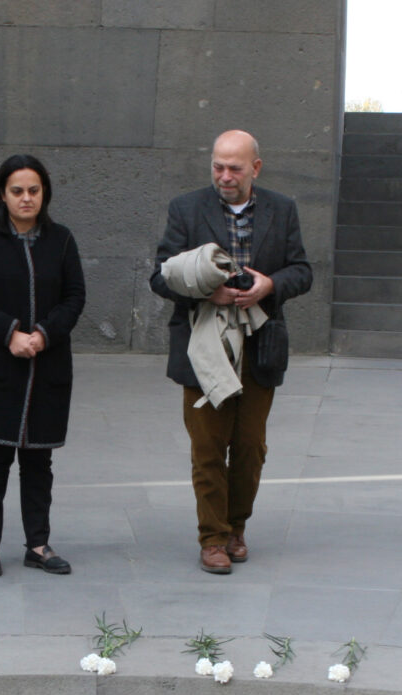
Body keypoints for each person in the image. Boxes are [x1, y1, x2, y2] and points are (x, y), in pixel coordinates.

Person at [149, 130, 312, 575]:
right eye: (218, 166)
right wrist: (207, 291)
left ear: (255, 168)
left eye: (234, 168)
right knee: (207, 447)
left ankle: (236, 527)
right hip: (202, 349)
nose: (224, 175)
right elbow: (161, 277)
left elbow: (303, 271)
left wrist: (270, 285)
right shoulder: (186, 208)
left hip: (260, 348)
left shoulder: (282, 209)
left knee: (249, 448)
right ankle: (213, 539)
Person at [0, 154, 86, 577]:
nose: (26, 198)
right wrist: (9, 332)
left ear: (44, 194)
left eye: (34, 190)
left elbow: (75, 298)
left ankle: (38, 544)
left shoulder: (62, 240)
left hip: (47, 368)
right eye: (17, 191)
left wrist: (44, 334)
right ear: (2, 194)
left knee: (39, 462)